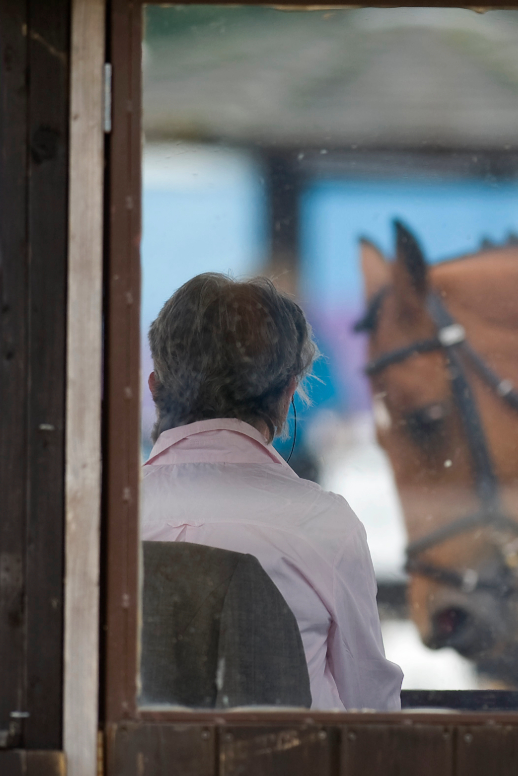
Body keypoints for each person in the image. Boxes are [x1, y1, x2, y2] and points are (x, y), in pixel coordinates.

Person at [140, 273, 403, 711]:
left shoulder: (91, 521)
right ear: (288, 396)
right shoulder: (324, 525)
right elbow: (371, 714)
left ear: (154, 389)